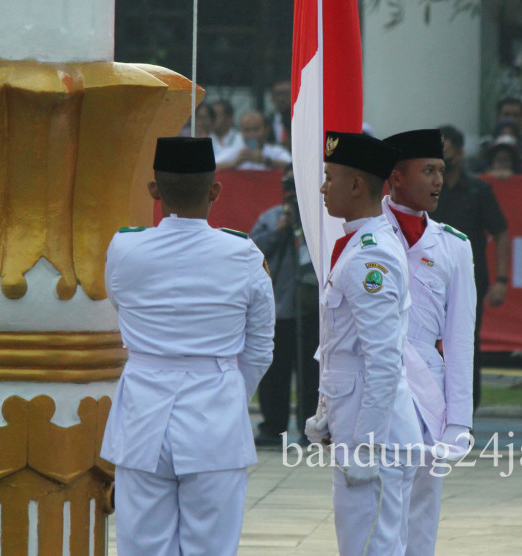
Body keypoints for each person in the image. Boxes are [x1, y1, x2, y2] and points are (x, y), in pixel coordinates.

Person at [100, 137, 276, 556]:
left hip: (142, 417)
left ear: (154, 190)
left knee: (142, 547)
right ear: (215, 190)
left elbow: (117, 303)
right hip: (215, 417)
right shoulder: (243, 254)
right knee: (212, 548)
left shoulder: (124, 248)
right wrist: (230, 390)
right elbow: (260, 349)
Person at [304, 131, 421, 556]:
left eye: (330, 177)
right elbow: (341, 347)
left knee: (370, 548)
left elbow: (383, 360)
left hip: (375, 436)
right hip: (360, 425)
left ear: (357, 185)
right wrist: (327, 412)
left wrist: (366, 443)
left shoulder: (371, 256)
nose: (321, 187)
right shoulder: (360, 245)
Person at [382, 129, 476, 556]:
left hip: (428, 391)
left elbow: (459, 340)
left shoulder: (454, 246)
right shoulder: (365, 236)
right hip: (377, 383)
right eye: (427, 171)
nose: (438, 180)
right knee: (377, 503)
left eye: (440, 170)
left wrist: (459, 420)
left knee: (423, 507)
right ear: (397, 176)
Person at [429, 124, 509, 411]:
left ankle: (465, 411)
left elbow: (500, 231)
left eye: (446, 152)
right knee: (423, 343)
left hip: (469, 282)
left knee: (463, 346)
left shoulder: (479, 189)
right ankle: (431, 405)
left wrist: (501, 278)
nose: (441, 159)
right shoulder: (426, 189)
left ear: (460, 154)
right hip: (429, 279)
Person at [250, 167, 319, 446]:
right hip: (278, 310)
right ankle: (273, 428)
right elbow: (253, 251)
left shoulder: (318, 221)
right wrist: (281, 230)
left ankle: (310, 428)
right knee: (274, 374)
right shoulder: (271, 218)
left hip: (310, 311)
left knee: (310, 374)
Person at [216, 109, 291, 170]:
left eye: (256, 129)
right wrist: (234, 163)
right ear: (241, 131)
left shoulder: (276, 151)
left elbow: (292, 166)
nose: (251, 134)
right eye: (247, 130)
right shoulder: (234, 152)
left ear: (266, 130)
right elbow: (211, 168)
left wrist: (266, 161)